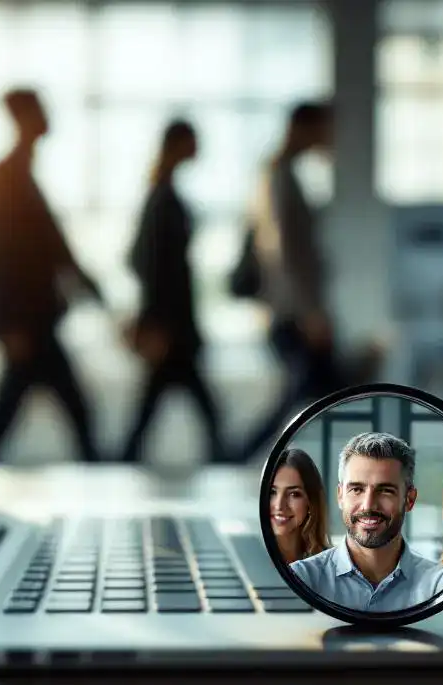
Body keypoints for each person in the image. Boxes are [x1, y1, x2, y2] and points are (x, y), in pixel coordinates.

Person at [0, 88, 103, 464]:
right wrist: (11, 324)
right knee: (67, 415)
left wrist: (92, 290)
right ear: (25, 118)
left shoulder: (21, 178)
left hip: (35, 322)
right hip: (26, 325)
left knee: (66, 415)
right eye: (40, 111)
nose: (48, 117)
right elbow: (9, 259)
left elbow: (54, 251)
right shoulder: (3, 181)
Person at [237, 101, 344, 462]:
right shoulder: (279, 177)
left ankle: (237, 455)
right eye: (323, 130)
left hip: (292, 309)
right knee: (307, 393)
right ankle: (236, 455)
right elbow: (283, 252)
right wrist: (310, 311)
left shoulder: (283, 175)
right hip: (291, 312)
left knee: (312, 392)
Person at [120, 120, 227, 463]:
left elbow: (141, 262)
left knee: (160, 412)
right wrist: (156, 325)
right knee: (201, 411)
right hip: (172, 327)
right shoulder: (162, 199)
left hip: (172, 325)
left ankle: (121, 458)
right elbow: (149, 265)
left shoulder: (162, 194)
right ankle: (227, 458)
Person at [290, 432, 443, 612]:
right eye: (357, 489)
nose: (368, 505)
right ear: (340, 496)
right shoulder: (301, 577)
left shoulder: (442, 584)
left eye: (385, 491)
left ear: (409, 499)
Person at [269, 447, 331, 564]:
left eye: (294, 494)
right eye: (272, 492)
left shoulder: (330, 564)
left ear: (311, 502)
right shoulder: (252, 558)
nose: (279, 505)